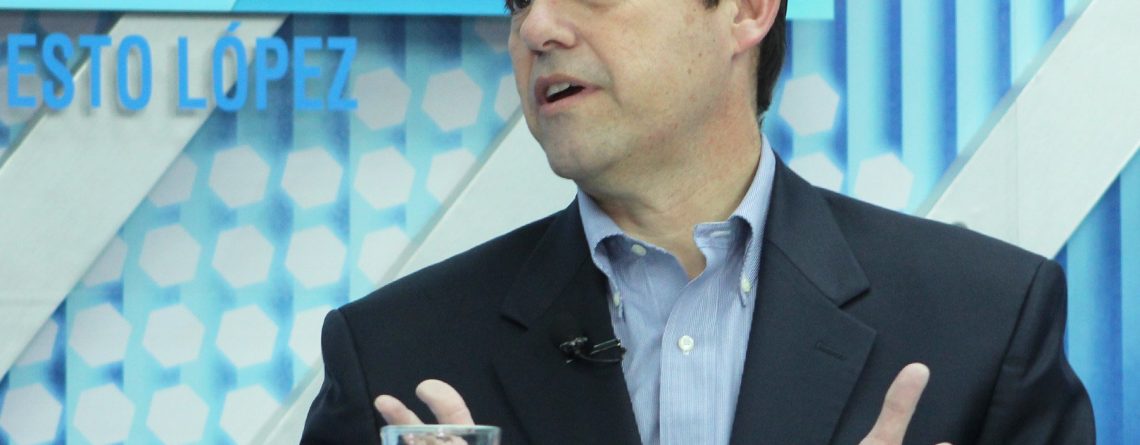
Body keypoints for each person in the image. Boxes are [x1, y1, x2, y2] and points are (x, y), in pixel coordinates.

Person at [302, 0, 1095, 443]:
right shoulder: (393, 357)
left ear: (746, 11)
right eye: (518, 2)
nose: (537, 29)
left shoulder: (985, 325)